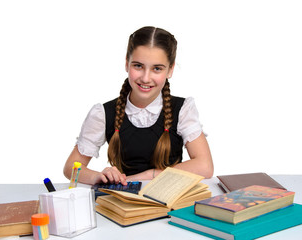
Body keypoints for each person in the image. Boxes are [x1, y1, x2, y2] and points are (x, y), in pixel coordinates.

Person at [63, 26, 213, 185]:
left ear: (170, 70)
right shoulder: (104, 113)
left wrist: (150, 175)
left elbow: (205, 166)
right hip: (124, 202)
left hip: (170, 199)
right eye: (138, 66)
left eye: (157, 68)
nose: (146, 78)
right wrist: (98, 177)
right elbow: (70, 168)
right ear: (127, 64)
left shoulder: (182, 110)